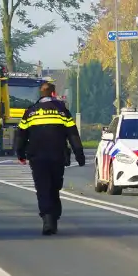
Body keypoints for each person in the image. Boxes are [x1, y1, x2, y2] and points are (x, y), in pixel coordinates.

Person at [14, 82, 85, 235]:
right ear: (53, 94)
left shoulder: (30, 111)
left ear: (41, 94)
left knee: (42, 188)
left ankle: (47, 218)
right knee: (54, 186)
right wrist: (79, 155)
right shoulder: (62, 111)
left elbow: (20, 135)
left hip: (37, 157)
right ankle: (53, 216)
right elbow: (73, 134)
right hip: (57, 156)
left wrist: (20, 154)